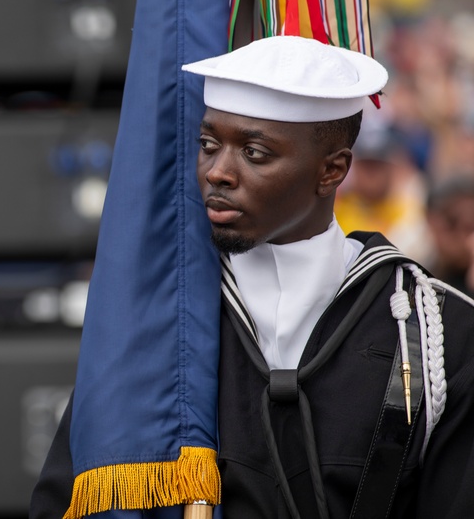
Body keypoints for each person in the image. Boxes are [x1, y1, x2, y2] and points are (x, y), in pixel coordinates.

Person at [31, 36, 474, 517]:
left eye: (255, 153)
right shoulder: (154, 319)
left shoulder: (440, 331)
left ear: (332, 171)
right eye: (208, 144)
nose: (217, 172)